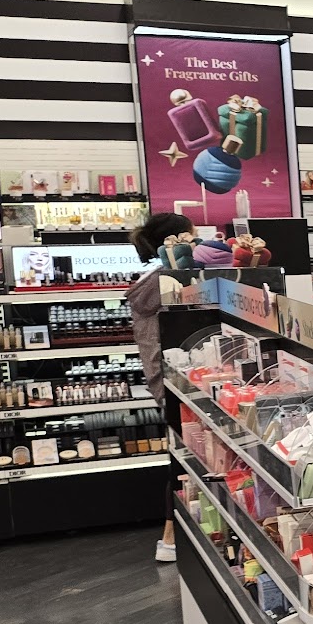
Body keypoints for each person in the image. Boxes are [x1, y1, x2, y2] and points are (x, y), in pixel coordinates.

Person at [129, 212, 195, 564]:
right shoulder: (166, 281)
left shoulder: (156, 281)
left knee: (182, 456)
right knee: (182, 460)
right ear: (177, 240)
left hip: (167, 382)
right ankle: (170, 538)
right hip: (173, 384)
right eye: (192, 237)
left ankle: (175, 535)